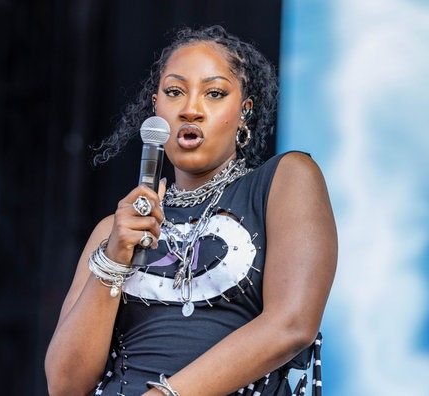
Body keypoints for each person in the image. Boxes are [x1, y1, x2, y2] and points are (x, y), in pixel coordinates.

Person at [45, 25, 337, 396]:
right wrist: (115, 256)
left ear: (244, 112)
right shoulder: (114, 229)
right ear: (156, 109)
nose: (191, 110)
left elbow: (292, 324)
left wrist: (166, 395)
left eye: (214, 93)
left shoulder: (284, 181)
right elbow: (65, 385)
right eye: (174, 92)